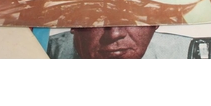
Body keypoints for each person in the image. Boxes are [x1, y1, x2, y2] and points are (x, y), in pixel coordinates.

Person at [47, 26, 193, 59]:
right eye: (97, 16)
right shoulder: (41, 52)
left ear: (156, 22)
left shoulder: (188, 55)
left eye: (132, 17)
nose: (114, 34)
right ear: (72, 23)